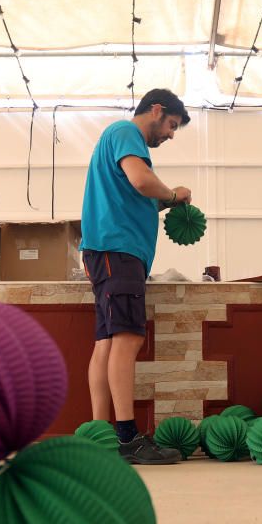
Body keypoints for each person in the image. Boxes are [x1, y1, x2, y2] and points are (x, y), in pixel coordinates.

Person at [80, 88, 192, 464]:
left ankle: (101, 436)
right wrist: (174, 195)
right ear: (156, 110)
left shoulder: (115, 141)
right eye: (172, 125)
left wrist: (165, 200)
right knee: (128, 340)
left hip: (106, 250)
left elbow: (138, 191)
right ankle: (127, 438)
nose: (171, 135)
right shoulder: (126, 133)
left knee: (108, 344)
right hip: (118, 250)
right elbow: (142, 181)